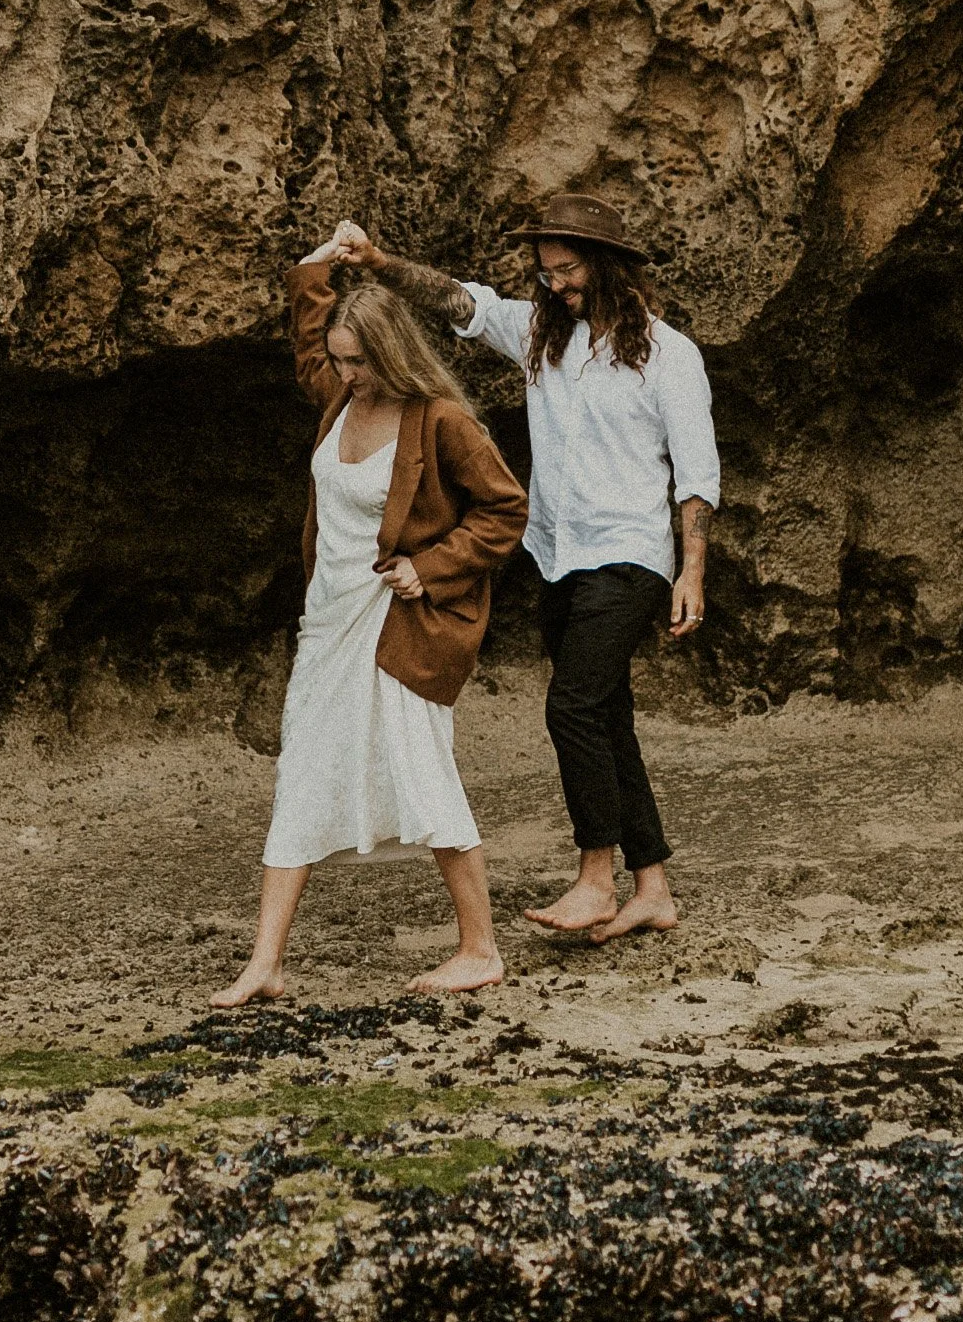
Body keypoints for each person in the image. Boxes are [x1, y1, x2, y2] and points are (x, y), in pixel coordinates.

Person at [347, 195, 719, 943]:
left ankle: (594, 879)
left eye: (568, 270)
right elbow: (463, 304)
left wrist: (691, 573)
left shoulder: (670, 354)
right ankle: (653, 888)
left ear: (610, 266)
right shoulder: (541, 336)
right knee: (607, 717)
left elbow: (697, 477)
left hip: (632, 556)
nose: (555, 285)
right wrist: (380, 264)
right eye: (545, 273)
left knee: (572, 708)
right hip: (558, 556)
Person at [212, 233, 529, 1009]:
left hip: (403, 624)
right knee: (301, 776)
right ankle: (266, 965)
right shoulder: (338, 396)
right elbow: (310, 308)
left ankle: (480, 949)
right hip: (329, 621)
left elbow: (505, 509)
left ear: (390, 353)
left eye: (357, 361)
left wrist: (431, 566)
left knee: (425, 777)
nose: (343, 375)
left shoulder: (440, 419)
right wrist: (328, 259)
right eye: (338, 359)